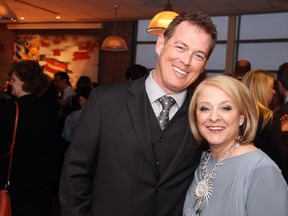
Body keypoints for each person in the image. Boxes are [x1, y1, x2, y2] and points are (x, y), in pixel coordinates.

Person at [59, 11, 217, 216]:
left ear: (204, 64)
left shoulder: (203, 113)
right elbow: (74, 175)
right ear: (160, 44)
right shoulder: (104, 101)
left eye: (198, 55)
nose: (186, 61)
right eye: (180, 47)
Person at [183, 75, 288, 216]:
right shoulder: (199, 160)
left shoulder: (261, 170)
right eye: (205, 108)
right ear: (195, 116)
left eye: (226, 108)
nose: (214, 117)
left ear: (241, 117)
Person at [0, 60, 56, 216]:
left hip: (16, 180)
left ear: (25, 81)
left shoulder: (11, 108)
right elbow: (53, 144)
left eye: (13, 79)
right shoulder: (48, 108)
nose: (10, 83)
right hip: (42, 179)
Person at [241, 69, 288, 172]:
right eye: (271, 87)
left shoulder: (237, 114)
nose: (274, 91)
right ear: (262, 90)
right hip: (263, 174)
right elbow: (282, 159)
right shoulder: (269, 118)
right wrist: (284, 132)